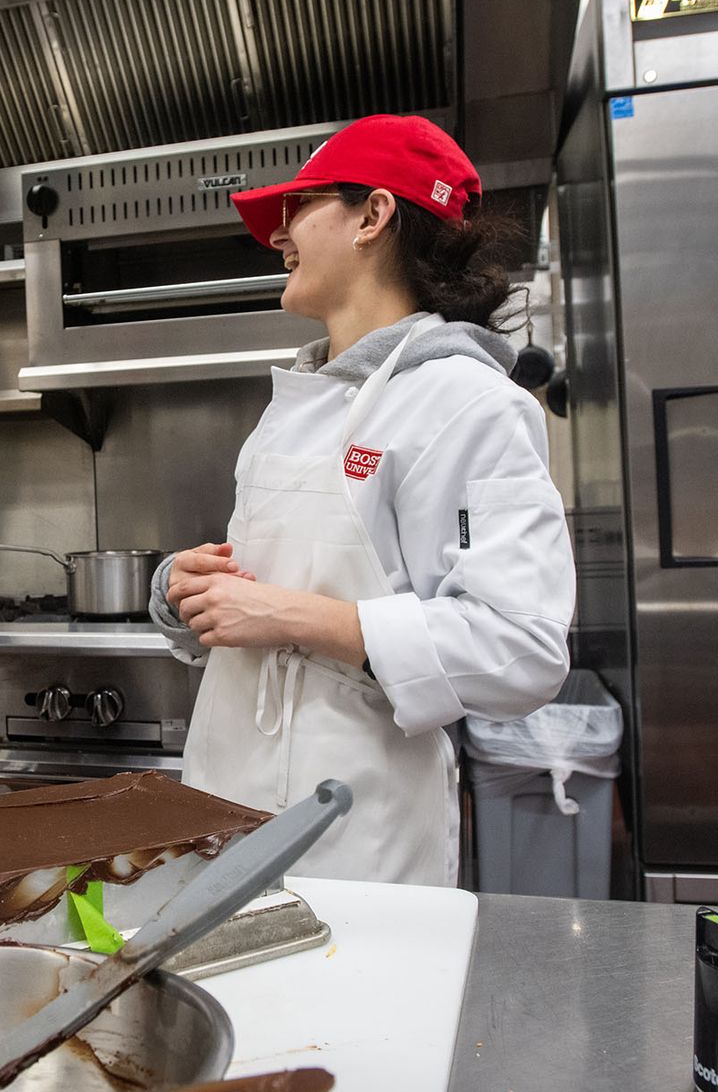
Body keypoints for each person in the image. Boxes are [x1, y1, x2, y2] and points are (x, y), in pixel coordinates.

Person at [150, 115, 574, 886]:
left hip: (354, 827)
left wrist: (293, 618)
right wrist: (188, 589)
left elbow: (522, 649)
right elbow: (266, 588)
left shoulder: (469, 402)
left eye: (300, 206)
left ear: (373, 216)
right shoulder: (300, 401)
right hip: (224, 796)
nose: (278, 234)